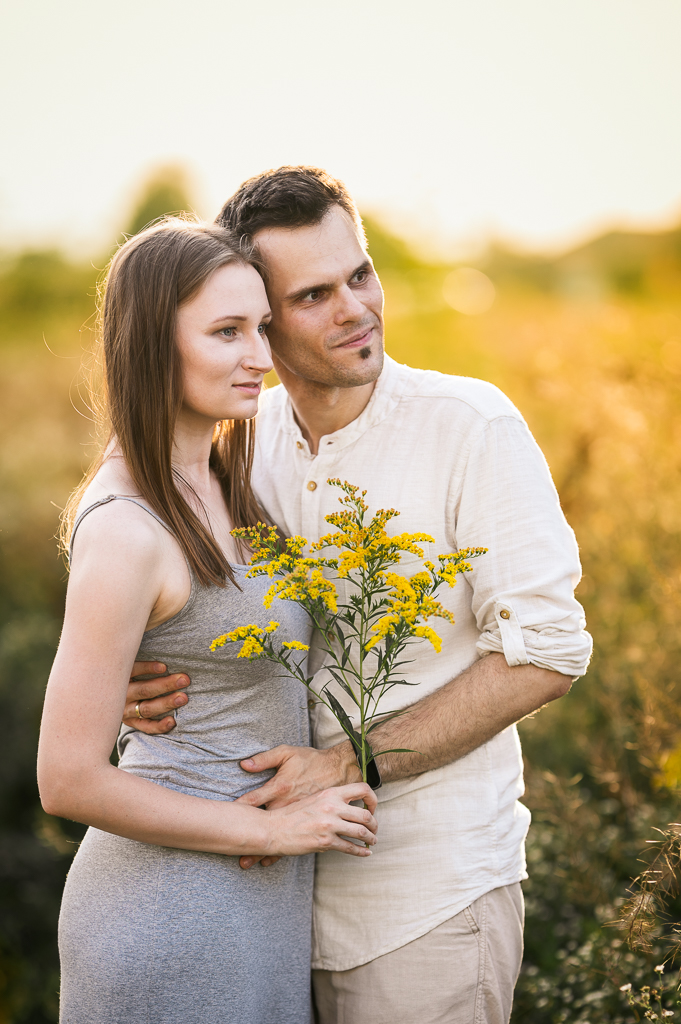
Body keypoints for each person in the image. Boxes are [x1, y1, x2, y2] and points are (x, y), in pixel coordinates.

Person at [125, 168, 593, 1024]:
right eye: (312, 295)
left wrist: (344, 763)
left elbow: (548, 651)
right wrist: (140, 682)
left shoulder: (471, 427)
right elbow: (177, 602)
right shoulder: (236, 441)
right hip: (264, 903)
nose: (354, 308)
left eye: (360, 275)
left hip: (428, 903)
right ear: (261, 323)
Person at [37, 217, 378, 1024]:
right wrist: (269, 831)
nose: (260, 355)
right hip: (167, 918)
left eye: (260, 326)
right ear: (153, 342)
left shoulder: (227, 478)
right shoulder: (127, 526)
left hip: (253, 915)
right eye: (226, 331)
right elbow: (66, 777)